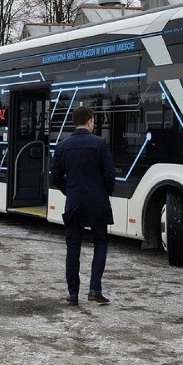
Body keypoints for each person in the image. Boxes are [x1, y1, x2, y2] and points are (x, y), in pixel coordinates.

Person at [50, 106, 116, 305]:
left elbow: (55, 177)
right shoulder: (100, 144)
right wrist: (105, 191)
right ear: (89, 122)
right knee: (101, 243)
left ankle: (73, 294)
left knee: (73, 248)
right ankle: (95, 289)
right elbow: (109, 175)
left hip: (74, 203)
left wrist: (69, 191)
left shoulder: (62, 146)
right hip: (97, 202)